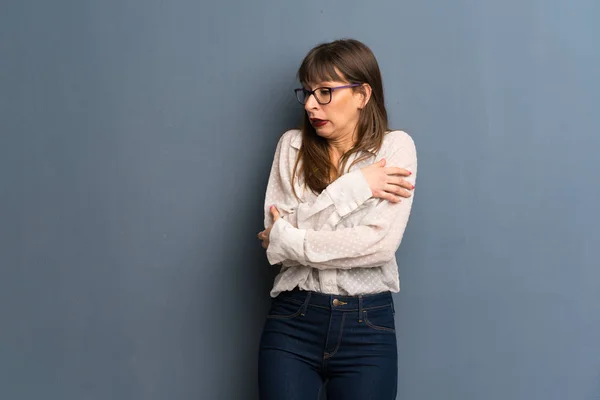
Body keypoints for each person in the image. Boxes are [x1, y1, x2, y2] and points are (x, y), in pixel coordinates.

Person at [257, 38, 417, 400]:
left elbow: (378, 245)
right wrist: (357, 186)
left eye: (326, 92)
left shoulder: (395, 149)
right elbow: (276, 244)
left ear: (362, 95)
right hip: (293, 320)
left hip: (367, 326)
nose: (312, 104)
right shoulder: (292, 146)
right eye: (309, 92)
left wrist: (288, 239)